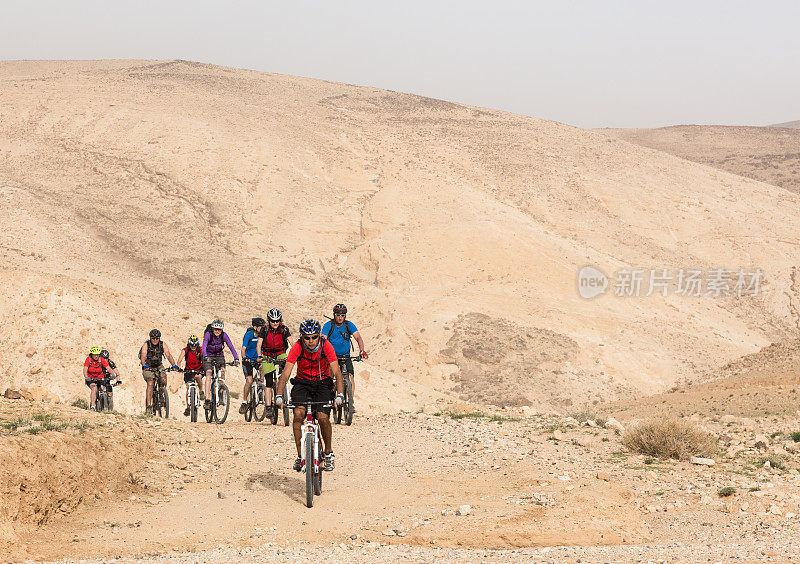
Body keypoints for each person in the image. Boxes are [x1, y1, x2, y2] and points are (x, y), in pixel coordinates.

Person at [275, 319, 344, 472]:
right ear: (302, 337)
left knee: (322, 416)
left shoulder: (326, 345)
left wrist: (339, 395)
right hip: (302, 383)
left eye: (314, 337)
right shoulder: (298, 347)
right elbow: (286, 373)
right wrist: (279, 395)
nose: (311, 341)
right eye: (307, 337)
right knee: (298, 415)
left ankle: (328, 452)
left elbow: (337, 372)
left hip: (322, 383)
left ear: (319, 336)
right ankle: (300, 456)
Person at [321, 304, 368, 407]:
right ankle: (329, 398)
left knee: (350, 377)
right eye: (338, 315)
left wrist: (362, 351)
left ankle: (350, 403)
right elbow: (323, 338)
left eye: (342, 315)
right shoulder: (329, 325)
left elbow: (358, 337)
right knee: (330, 376)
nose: (340, 317)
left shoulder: (348, 325)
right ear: (334, 315)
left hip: (345, 356)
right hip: (332, 357)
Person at [256, 308, 293, 409]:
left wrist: (296, 354)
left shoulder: (284, 329)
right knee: (269, 381)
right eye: (273, 321)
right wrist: (259, 355)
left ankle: (284, 393)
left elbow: (291, 342)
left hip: (280, 353)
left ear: (280, 320)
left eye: (277, 320)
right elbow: (259, 344)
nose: (275, 323)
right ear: (269, 321)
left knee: (285, 374)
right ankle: (268, 406)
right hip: (267, 355)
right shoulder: (264, 329)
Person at [202, 319, 240, 411]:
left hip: (219, 355)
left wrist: (236, 358)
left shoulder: (224, 335)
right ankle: (207, 399)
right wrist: (205, 356)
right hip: (208, 355)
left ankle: (221, 393)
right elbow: (203, 346)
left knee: (222, 371)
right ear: (213, 328)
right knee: (209, 372)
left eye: (219, 329)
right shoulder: (208, 334)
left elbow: (231, 346)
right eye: (216, 329)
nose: (217, 331)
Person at [139, 329, 178, 414]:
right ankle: (149, 406)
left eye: (157, 338)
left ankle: (161, 395)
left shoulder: (162, 344)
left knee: (163, 378)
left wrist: (173, 364)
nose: (155, 340)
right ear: (150, 338)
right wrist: (143, 365)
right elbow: (143, 355)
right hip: (148, 366)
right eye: (153, 338)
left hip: (158, 365)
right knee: (150, 382)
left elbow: (168, 354)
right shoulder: (147, 344)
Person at [239, 317, 266, 415]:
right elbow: (243, 348)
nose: (262, 329)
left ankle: (259, 386)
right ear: (255, 327)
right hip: (248, 360)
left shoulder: (263, 335)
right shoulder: (249, 335)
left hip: (258, 360)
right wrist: (244, 357)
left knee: (262, 369)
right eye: (260, 327)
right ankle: (244, 402)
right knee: (249, 381)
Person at [177, 335, 205, 416]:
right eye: (191, 345)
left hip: (198, 369)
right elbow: (179, 360)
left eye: (195, 345)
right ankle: (188, 407)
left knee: (198, 377)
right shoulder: (185, 350)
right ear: (189, 344)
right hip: (188, 371)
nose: (193, 347)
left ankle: (201, 391)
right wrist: (178, 367)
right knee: (188, 387)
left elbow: (205, 358)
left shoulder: (200, 350)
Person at [84, 346, 111, 411]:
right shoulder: (88, 359)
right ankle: (93, 406)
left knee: (104, 389)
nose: (96, 356)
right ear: (92, 355)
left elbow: (108, 368)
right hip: (90, 379)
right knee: (94, 389)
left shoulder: (101, 359)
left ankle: (106, 406)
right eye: (95, 355)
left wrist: (113, 375)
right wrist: (86, 376)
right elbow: (85, 369)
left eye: (97, 355)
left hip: (100, 378)